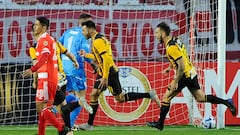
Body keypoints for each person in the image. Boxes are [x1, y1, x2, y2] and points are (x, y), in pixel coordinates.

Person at [146, 22, 237, 131]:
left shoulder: (171, 47)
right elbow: (181, 56)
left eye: (157, 32)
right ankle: (227, 102)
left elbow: (181, 66)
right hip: (191, 72)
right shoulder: (176, 40)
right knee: (201, 97)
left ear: (163, 33)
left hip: (184, 75)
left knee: (166, 97)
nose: (155, 35)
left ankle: (160, 124)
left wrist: (175, 81)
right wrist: (170, 67)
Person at [78, 20, 161, 131]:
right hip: (105, 71)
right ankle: (149, 95)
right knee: (110, 96)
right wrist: (86, 54)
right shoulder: (98, 38)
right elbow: (100, 56)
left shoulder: (98, 40)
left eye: (83, 30)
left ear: (89, 29)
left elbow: (107, 59)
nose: (83, 33)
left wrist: (105, 77)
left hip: (109, 72)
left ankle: (89, 124)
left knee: (105, 96)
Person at [22, 16, 69, 135]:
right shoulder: (43, 40)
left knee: (41, 108)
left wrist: (33, 69)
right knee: (42, 108)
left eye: (37, 25)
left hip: (48, 78)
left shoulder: (45, 39)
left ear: (44, 27)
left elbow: (45, 56)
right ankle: (41, 133)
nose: (34, 26)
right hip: (46, 78)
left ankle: (62, 128)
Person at [59, 14, 97, 128]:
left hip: (64, 67)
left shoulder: (67, 32)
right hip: (76, 69)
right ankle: (68, 122)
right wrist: (95, 66)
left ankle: (56, 109)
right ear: (85, 24)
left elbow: (59, 45)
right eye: (90, 24)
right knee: (81, 98)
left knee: (72, 94)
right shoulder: (82, 35)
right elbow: (85, 53)